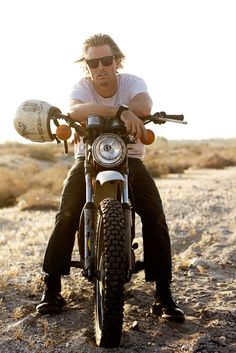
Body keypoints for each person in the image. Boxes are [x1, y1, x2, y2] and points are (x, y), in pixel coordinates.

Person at [36, 33, 185, 322]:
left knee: (155, 215)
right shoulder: (82, 86)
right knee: (67, 213)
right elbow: (75, 111)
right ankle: (51, 287)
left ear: (116, 60)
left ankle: (163, 294)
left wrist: (132, 110)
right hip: (88, 158)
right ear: (87, 66)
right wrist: (119, 110)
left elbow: (144, 107)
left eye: (106, 60)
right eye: (93, 63)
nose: (100, 67)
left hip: (129, 158)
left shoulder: (132, 82)